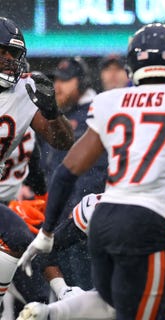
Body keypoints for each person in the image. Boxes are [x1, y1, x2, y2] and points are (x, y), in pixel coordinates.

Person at [16, 23, 165, 319]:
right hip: (148, 222)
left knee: (114, 304)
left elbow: (66, 172)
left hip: (104, 220)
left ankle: (53, 314)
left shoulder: (111, 101)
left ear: (132, 64)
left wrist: (46, 232)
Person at [18, 187, 165, 320]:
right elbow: (46, 251)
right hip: (112, 296)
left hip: (160, 304)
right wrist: (62, 289)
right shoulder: (93, 211)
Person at [0, 15, 74, 308]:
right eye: (2, 51)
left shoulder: (25, 90)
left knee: (20, 237)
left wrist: (52, 111)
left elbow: (63, 141)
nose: (8, 60)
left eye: (13, 54)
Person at [37, 55, 106, 291]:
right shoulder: (58, 115)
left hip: (86, 223)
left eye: (65, 80)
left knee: (87, 295)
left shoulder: (97, 112)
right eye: (56, 79)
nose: (57, 86)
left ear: (83, 82)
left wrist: (76, 210)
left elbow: (94, 175)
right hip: (59, 223)